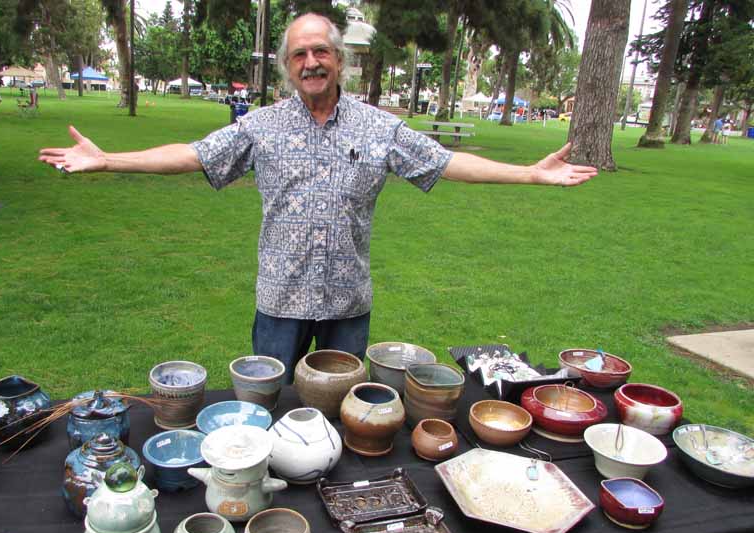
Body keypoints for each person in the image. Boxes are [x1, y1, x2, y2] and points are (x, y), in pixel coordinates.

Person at [39, 13, 597, 383]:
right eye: (300, 54)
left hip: (347, 303)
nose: (311, 62)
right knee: (267, 406)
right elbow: (192, 154)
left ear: (340, 60)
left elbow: (446, 162)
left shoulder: (378, 126)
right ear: (287, 66)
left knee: (338, 414)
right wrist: (108, 159)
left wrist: (530, 174)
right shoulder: (261, 125)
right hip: (280, 300)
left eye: (321, 51)